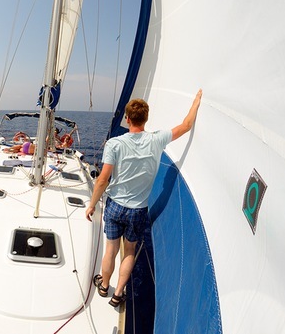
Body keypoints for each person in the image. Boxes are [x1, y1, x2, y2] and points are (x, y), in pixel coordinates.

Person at [85, 89, 203, 307]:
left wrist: (92, 205)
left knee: (111, 249)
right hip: (138, 210)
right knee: (129, 251)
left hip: (115, 206)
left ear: (127, 119)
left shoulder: (115, 144)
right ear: (146, 118)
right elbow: (186, 126)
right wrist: (196, 102)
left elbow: (102, 180)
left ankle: (104, 286)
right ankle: (118, 294)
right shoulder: (157, 139)